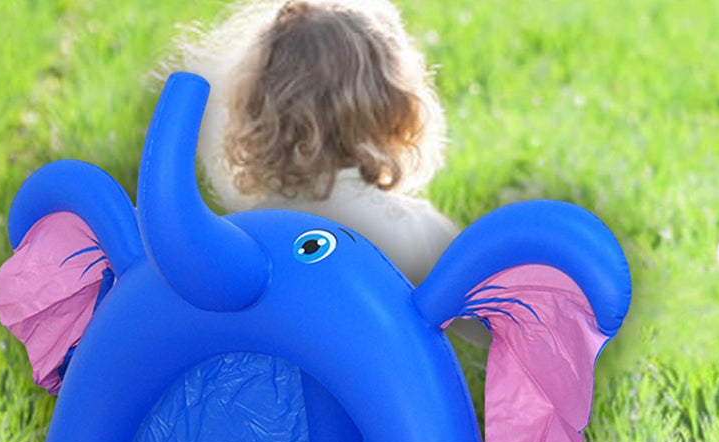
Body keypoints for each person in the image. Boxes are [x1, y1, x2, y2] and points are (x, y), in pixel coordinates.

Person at [166, 0, 489, 331]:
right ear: (397, 110)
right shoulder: (412, 230)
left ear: (255, 111)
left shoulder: (246, 233)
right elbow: (493, 322)